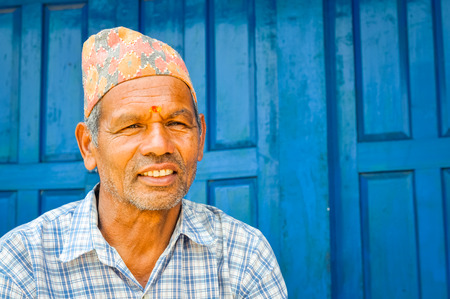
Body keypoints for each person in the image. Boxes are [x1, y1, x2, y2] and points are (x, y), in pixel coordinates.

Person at [0, 27, 287, 298]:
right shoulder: (23, 264)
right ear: (89, 146)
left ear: (200, 138)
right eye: (132, 126)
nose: (159, 145)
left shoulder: (243, 254)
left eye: (176, 122)